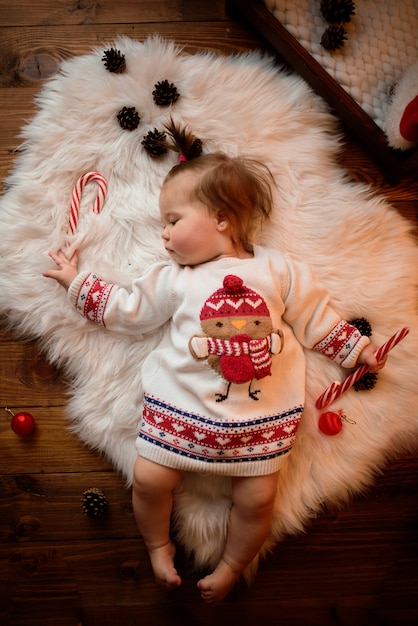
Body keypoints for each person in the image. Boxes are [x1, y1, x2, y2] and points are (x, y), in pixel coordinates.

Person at [43, 120, 386, 603]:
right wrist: (77, 282)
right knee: (148, 479)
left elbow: (315, 319)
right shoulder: (173, 278)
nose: (163, 235)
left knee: (259, 500)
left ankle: (232, 564)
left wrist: (355, 350)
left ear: (222, 219)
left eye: (172, 220)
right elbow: (128, 311)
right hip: (180, 416)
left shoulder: (278, 270)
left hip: (258, 422)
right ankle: (158, 545)